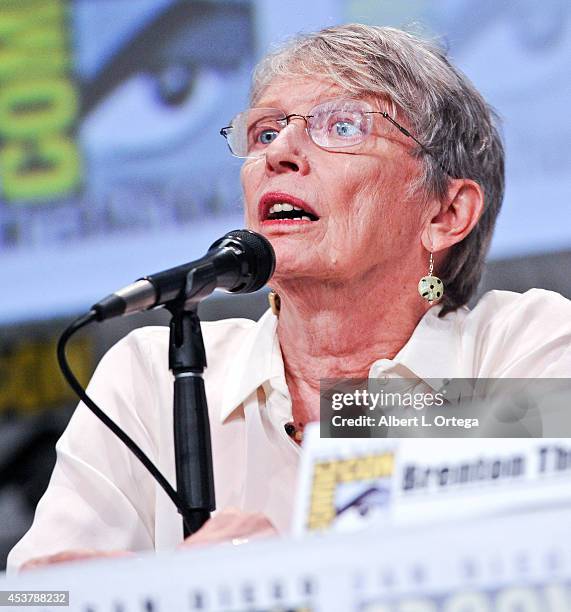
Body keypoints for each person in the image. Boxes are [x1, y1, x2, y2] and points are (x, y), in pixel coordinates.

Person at [8, 23, 571, 572]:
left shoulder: (525, 345)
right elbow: (34, 598)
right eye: (265, 133)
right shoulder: (150, 376)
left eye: (344, 127)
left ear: (446, 214)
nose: (281, 153)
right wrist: (168, 588)